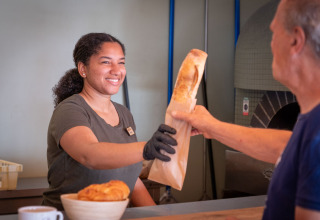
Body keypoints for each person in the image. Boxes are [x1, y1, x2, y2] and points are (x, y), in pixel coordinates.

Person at [172, 0, 320, 219]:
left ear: (296, 40)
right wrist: (212, 126)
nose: (270, 44)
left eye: (274, 33)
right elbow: (285, 145)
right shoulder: (310, 121)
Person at [42, 33, 177, 210]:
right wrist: (146, 148)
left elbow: (130, 178)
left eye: (121, 62)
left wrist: (159, 216)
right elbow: (89, 155)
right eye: (106, 62)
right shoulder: (70, 110)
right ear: (83, 69)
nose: (116, 70)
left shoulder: (124, 113)